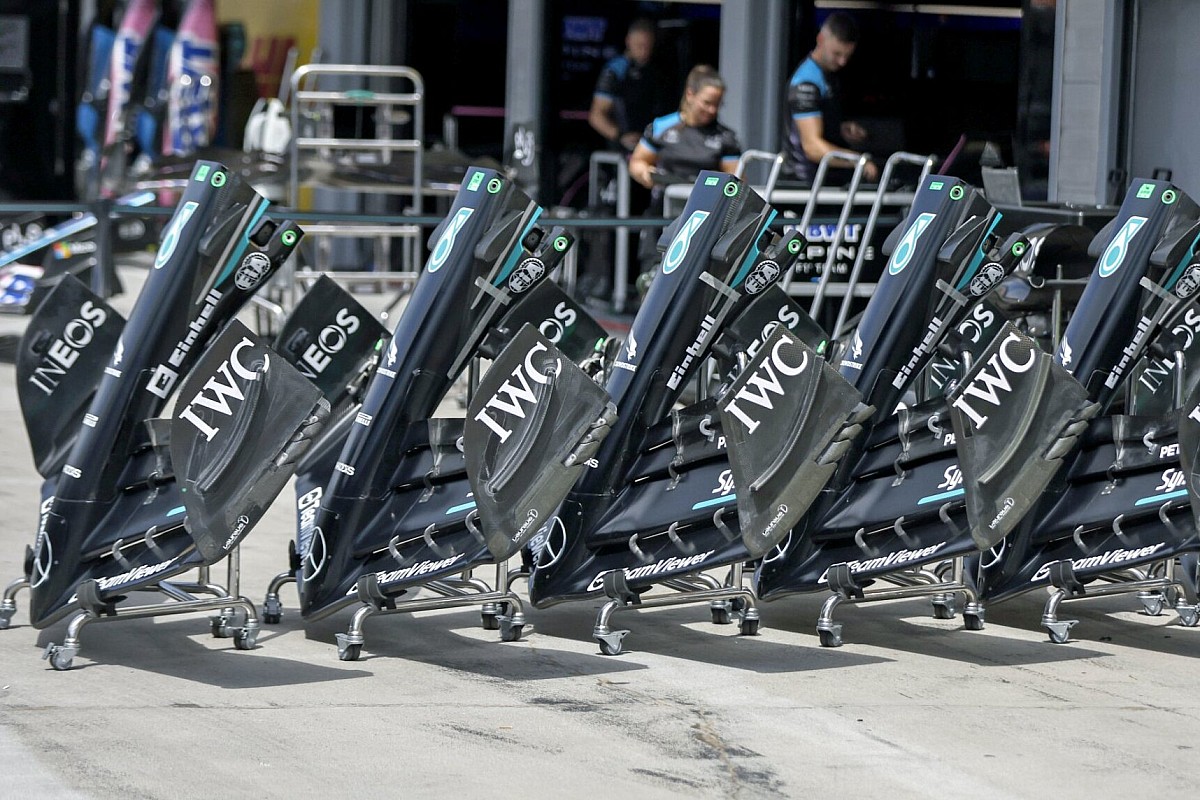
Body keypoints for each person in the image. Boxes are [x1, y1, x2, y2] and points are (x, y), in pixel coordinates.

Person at [628, 64, 742, 280]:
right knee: (651, 279)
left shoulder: (726, 138)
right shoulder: (663, 126)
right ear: (690, 94)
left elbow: (737, 181)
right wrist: (645, 173)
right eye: (707, 103)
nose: (712, 110)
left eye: (717, 105)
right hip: (663, 214)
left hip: (704, 218)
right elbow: (638, 162)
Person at [780, 11, 879, 185]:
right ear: (820, 39)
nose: (842, 62)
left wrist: (841, 128)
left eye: (847, 56)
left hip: (825, 181)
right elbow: (812, 147)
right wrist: (857, 160)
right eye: (837, 54)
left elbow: (820, 125)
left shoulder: (829, 76)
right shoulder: (806, 82)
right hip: (803, 184)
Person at [588, 18, 671, 154]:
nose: (643, 51)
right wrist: (621, 136)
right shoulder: (615, 70)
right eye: (639, 46)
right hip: (622, 146)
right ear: (628, 41)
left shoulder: (658, 71)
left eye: (647, 46)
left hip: (653, 143)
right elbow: (596, 115)